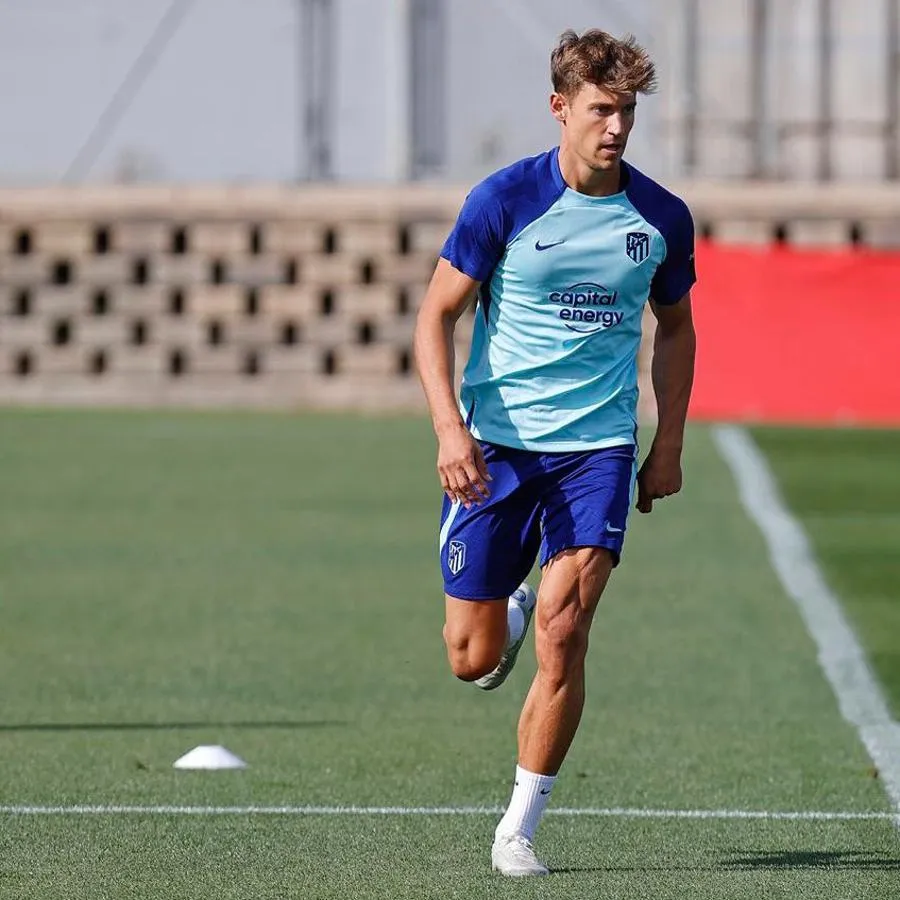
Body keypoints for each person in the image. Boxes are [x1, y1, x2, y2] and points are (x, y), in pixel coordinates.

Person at [413, 28, 697, 877]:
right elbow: (434, 318)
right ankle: (505, 610)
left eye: (628, 111)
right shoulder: (502, 200)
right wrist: (448, 431)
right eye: (601, 109)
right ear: (561, 109)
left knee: (567, 630)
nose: (616, 127)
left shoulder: (660, 217)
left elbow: (677, 328)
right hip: (495, 450)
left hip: (597, 453)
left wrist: (667, 443)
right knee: (470, 659)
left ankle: (518, 826)